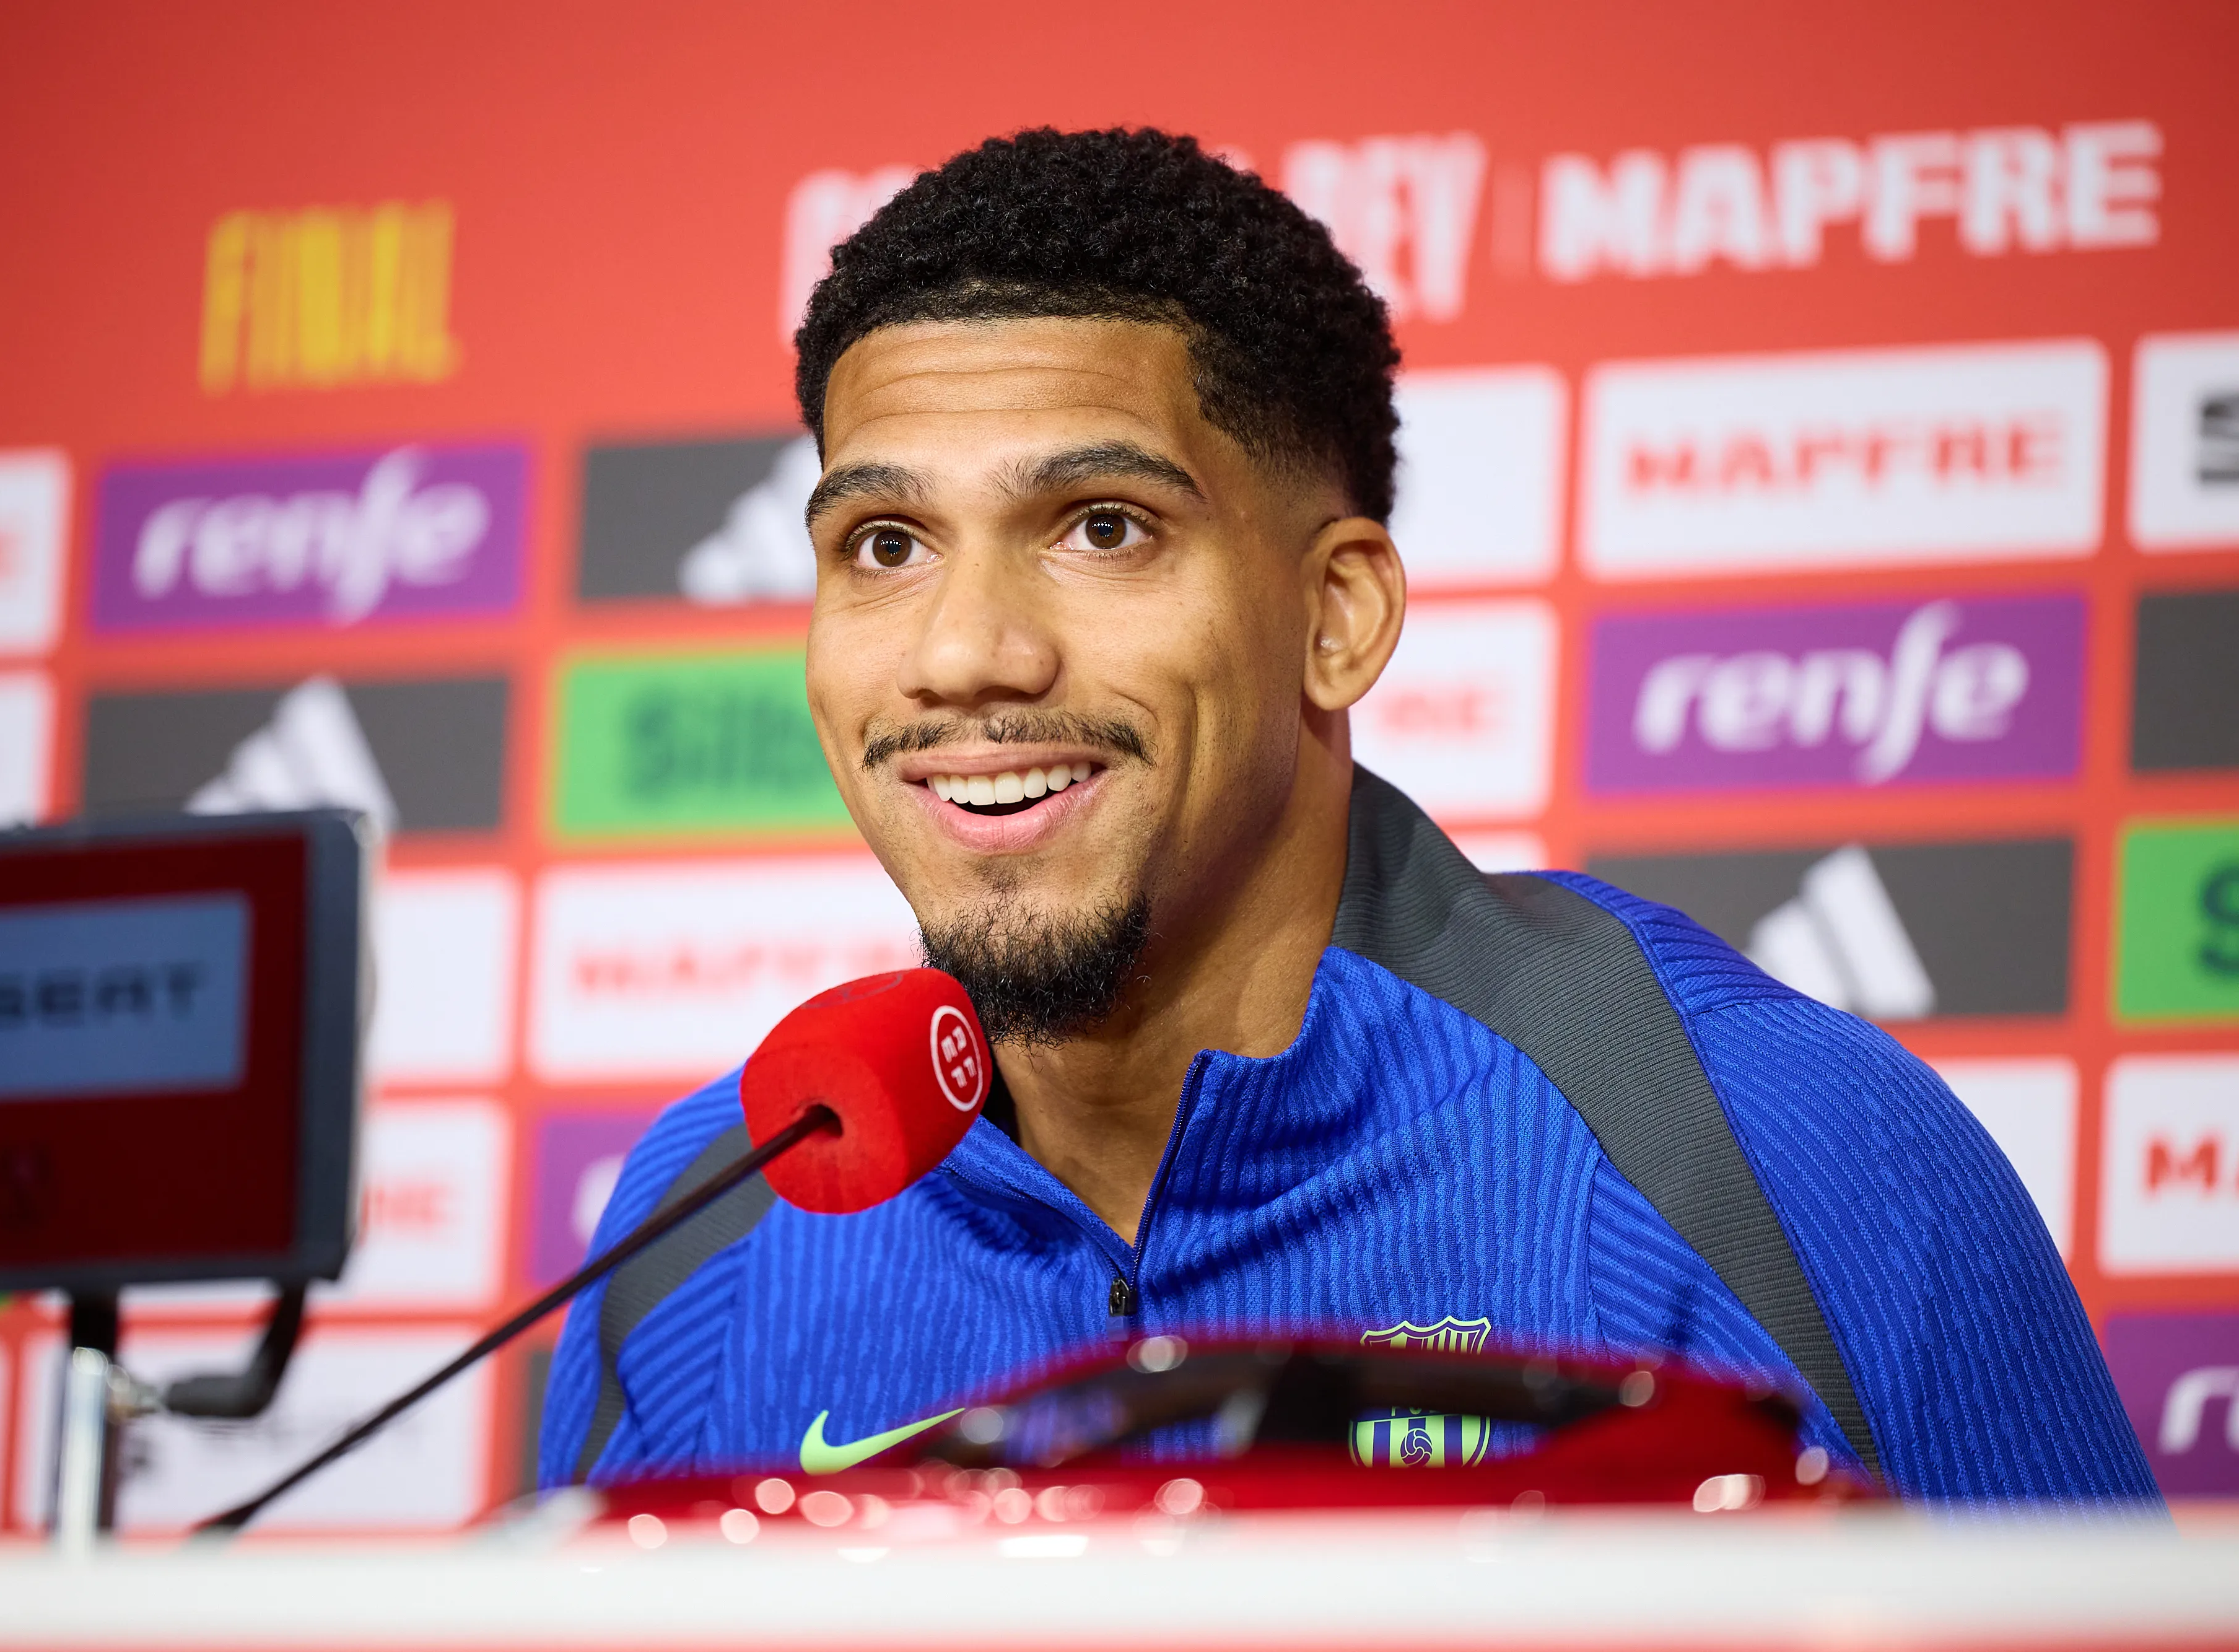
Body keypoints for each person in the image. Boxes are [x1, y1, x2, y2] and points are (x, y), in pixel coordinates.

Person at [539, 127, 2157, 1504]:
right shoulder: (703, 1227)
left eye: (1102, 527)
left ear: (1340, 616)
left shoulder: (1777, 1144)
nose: (966, 655)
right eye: (884, 545)